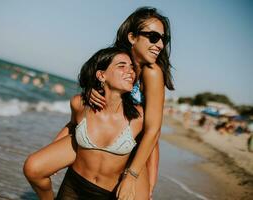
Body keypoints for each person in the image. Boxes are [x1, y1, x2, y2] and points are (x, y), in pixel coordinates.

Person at [24, 6, 174, 200]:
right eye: (153, 37)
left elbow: (153, 131)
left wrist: (134, 176)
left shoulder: (152, 72)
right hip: (101, 130)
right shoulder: (118, 59)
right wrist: (92, 89)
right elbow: (93, 83)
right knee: (35, 167)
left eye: (163, 39)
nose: (160, 44)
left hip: (138, 143)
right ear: (132, 37)